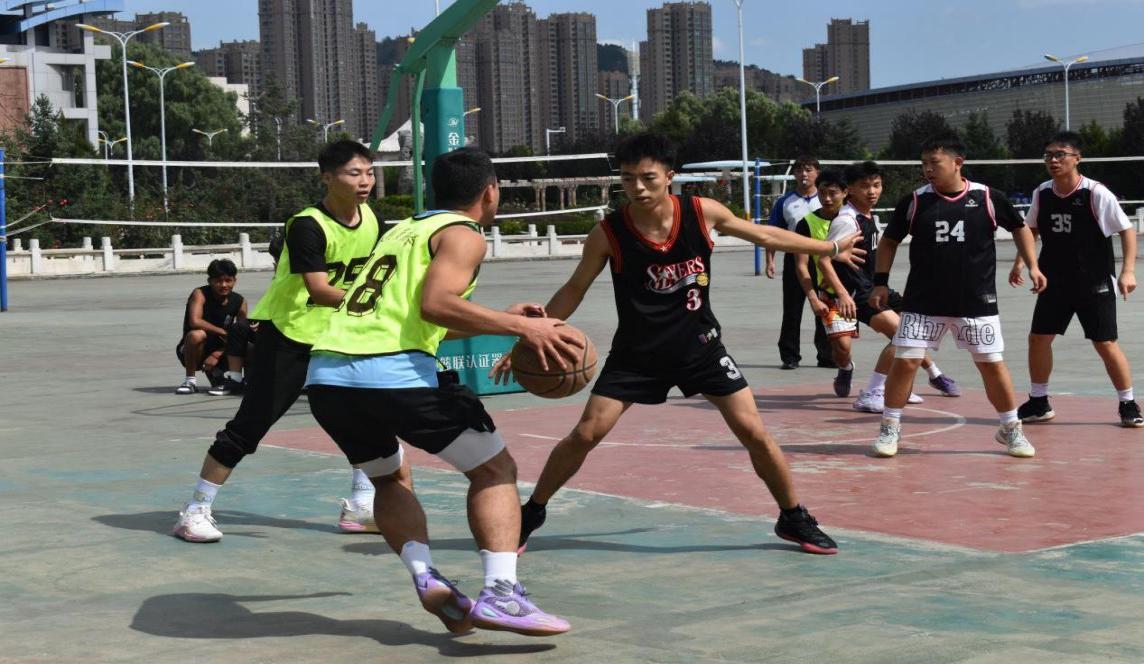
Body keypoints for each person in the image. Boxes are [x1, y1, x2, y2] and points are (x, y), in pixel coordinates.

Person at [511, 132, 865, 556]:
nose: (638, 187)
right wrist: (534, 332)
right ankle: (531, 511)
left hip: (702, 348)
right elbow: (574, 288)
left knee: (754, 432)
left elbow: (765, 236)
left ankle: (792, 516)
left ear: (669, 176)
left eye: (648, 178)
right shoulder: (608, 233)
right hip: (637, 354)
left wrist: (829, 246)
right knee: (586, 434)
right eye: (627, 178)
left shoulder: (701, 212)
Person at [306, 148, 579, 636]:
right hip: (391, 375)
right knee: (494, 469)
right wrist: (523, 327)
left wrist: (501, 320)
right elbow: (436, 305)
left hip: (329, 378)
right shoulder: (463, 234)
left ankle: (425, 575)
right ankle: (501, 594)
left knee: (389, 477)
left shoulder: (403, 231)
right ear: (490, 192)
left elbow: (420, 321)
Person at [172, 140, 384, 543]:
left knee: (366, 417)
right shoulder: (307, 225)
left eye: (370, 173)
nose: (365, 181)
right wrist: (383, 304)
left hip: (338, 336)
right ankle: (195, 509)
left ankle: (361, 504)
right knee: (251, 425)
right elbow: (319, 290)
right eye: (354, 173)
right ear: (327, 178)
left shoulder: (373, 220)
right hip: (289, 335)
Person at [868, 134, 1045, 458]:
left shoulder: (988, 197)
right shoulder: (915, 201)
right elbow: (889, 241)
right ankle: (889, 426)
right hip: (923, 301)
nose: (927, 170)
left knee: (992, 365)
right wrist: (880, 282)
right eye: (924, 164)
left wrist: (1032, 265)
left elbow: (1020, 227)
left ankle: (1011, 429)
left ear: (957, 163)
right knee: (905, 362)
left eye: (934, 163)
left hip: (975, 301)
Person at [796, 162, 959, 412]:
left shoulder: (869, 216)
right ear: (850, 189)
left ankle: (901, 385)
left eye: (876, 185)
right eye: (865, 186)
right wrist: (842, 294)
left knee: (916, 327)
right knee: (901, 336)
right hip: (854, 292)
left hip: (873, 287)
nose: (872, 191)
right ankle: (871, 391)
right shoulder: (847, 220)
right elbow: (824, 260)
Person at [1010, 131, 1143, 427]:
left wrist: (1128, 271)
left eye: (1060, 155)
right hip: (1054, 281)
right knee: (1038, 339)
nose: (1053, 160)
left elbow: (1126, 229)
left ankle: (1128, 403)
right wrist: (1022, 262)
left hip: (1093, 281)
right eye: (1048, 155)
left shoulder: (1095, 193)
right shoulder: (1042, 192)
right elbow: (1031, 228)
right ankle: (1039, 401)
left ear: (1077, 158)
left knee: (1105, 343)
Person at [766, 155, 834, 370]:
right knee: (792, 309)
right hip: (794, 260)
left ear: (817, 173)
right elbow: (773, 233)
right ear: (794, 174)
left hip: (823, 260)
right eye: (799, 170)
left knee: (825, 307)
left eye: (809, 170)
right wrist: (770, 260)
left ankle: (827, 355)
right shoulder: (785, 201)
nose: (804, 174)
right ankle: (790, 356)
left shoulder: (826, 199)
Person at [175, 259, 248, 394]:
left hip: (221, 349)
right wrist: (223, 332)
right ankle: (190, 381)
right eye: (218, 281)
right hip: (193, 349)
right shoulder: (200, 294)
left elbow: (241, 333)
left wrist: (217, 354)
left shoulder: (240, 301)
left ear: (235, 281)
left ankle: (223, 377)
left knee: (248, 342)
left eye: (228, 280)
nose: (224, 285)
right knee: (197, 335)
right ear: (210, 281)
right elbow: (195, 321)